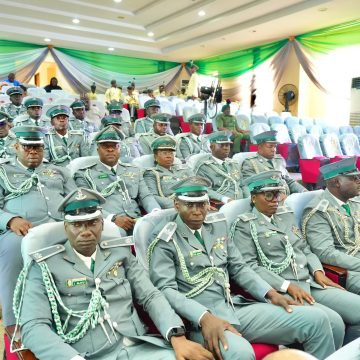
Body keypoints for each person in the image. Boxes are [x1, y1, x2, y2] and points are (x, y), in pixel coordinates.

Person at [147, 176, 338, 360]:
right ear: (176, 205)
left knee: (317, 320)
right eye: (190, 205)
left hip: (233, 306)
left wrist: (271, 293)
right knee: (241, 353)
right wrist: (203, 316)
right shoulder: (165, 239)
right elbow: (166, 289)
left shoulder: (217, 225)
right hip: (200, 320)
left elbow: (239, 267)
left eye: (202, 204)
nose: (198, 211)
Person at [15, 188, 213, 360]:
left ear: (102, 224)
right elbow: (33, 326)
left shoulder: (120, 253)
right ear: (66, 227)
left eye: (92, 223)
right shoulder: (43, 265)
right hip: (87, 355)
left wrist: (176, 335)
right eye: (77, 225)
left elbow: (150, 296)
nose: (85, 231)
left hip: (140, 347)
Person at [233, 170, 360, 346]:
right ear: (254, 197)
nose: (275, 200)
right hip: (283, 289)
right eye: (268, 195)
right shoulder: (245, 225)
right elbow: (249, 267)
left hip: (310, 282)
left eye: (278, 194)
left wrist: (317, 271)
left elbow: (304, 248)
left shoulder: (285, 215)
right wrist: (286, 285)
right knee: (334, 322)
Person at [0, 126, 76, 327]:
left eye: (38, 148)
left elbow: (75, 198)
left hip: (61, 226)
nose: (33, 152)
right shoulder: (3, 171)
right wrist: (10, 220)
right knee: (13, 248)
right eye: (27, 147)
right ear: (16, 147)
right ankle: (13, 323)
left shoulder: (59, 171)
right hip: (22, 230)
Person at [74, 126, 159, 236]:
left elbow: (146, 196)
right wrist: (112, 218)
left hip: (136, 221)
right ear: (97, 149)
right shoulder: (84, 174)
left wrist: (155, 212)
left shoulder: (133, 170)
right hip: (108, 223)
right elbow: (86, 204)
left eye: (114, 146)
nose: (110, 149)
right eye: (105, 146)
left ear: (120, 148)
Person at [302, 158, 360, 294]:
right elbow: (326, 253)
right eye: (353, 178)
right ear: (336, 182)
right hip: (349, 269)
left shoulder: (354, 201)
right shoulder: (318, 210)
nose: (358, 181)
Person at [143, 136, 223, 209]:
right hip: (175, 208)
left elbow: (200, 188)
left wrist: (205, 203)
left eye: (171, 153)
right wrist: (183, 205)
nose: (169, 156)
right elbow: (153, 197)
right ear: (155, 157)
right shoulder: (152, 174)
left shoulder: (185, 169)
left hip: (197, 205)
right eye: (165, 153)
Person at [241, 130, 307, 196]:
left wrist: (303, 191)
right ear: (260, 147)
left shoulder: (278, 160)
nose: (274, 150)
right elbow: (249, 187)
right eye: (270, 146)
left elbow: (289, 181)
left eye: (275, 146)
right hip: (268, 201)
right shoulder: (250, 163)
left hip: (286, 198)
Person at [194, 131, 243, 203]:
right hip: (221, 204)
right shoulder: (204, 167)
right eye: (222, 145)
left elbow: (243, 184)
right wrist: (224, 199)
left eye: (227, 145)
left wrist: (249, 199)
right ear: (212, 147)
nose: (226, 148)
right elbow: (204, 189)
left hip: (241, 202)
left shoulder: (233, 163)